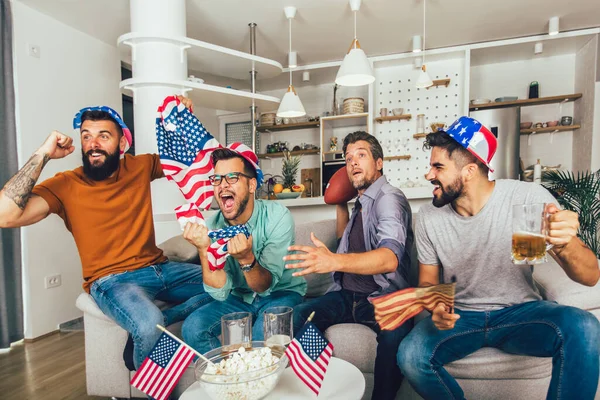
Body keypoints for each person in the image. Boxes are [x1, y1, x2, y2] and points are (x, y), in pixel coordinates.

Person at [0, 97, 212, 369]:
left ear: (122, 143)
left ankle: (168, 316)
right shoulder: (65, 185)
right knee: (150, 325)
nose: (93, 144)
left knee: (232, 283)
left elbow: (189, 160)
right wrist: (43, 153)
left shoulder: (140, 166)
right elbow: (5, 215)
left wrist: (182, 120)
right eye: (86, 136)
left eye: (103, 136)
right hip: (113, 281)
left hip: (162, 268)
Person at [397, 117, 600, 400]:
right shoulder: (431, 216)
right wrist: (436, 308)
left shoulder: (525, 199)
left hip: (519, 312)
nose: (429, 175)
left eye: (438, 167)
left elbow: (590, 276)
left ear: (469, 171)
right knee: (410, 356)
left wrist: (564, 244)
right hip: (462, 317)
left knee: (585, 326)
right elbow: (429, 281)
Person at [285, 131, 414, 400]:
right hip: (346, 296)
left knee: (393, 337)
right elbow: (348, 239)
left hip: (382, 299)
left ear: (379, 162)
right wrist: (341, 203)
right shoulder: (362, 203)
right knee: (300, 315)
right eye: (348, 159)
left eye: (361, 155)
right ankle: (325, 384)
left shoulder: (388, 198)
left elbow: (390, 257)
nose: (353, 162)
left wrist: (332, 260)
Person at [181, 147, 307, 353]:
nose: (222, 185)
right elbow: (220, 293)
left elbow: (264, 286)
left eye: (231, 177)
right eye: (217, 179)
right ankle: (229, 380)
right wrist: (204, 249)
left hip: (280, 293)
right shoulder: (212, 226)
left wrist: (247, 260)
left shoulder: (277, 216)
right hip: (239, 298)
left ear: (251, 184)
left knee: (262, 337)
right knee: (193, 328)